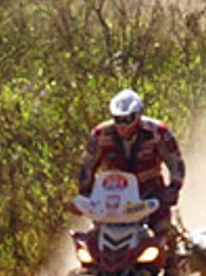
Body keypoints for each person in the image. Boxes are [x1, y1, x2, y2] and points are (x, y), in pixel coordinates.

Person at [78, 88, 186, 233]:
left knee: (163, 232)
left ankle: (172, 244)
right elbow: (87, 166)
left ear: (138, 115)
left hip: (150, 198)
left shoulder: (158, 132)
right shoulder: (100, 135)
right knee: (94, 236)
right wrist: (86, 194)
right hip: (112, 201)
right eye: (118, 119)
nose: (122, 125)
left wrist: (173, 188)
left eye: (128, 119)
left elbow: (176, 162)